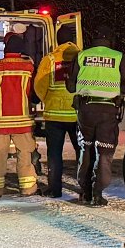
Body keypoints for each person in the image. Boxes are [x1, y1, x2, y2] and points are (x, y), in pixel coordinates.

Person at [0, 46, 38, 197]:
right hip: (23, 121)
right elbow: (35, 92)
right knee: (25, 154)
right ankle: (28, 188)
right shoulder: (29, 67)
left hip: (0, 122)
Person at [72, 42, 124, 206]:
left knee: (85, 148)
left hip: (86, 109)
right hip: (108, 111)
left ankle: (85, 191)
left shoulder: (81, 55)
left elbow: (70, 85)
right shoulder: (119, 57)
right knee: (105, 151)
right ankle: (98, 193)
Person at [33, 42, 80, 198]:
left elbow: (39, 85)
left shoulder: (50, 59)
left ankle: (54, 190)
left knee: (54, 154)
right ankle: (86, 190)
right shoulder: (82, 57)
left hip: (54, 114)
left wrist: (47, 99)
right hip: (76, 113)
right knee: (82, 152)